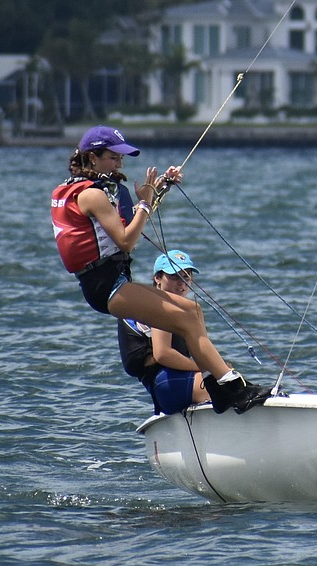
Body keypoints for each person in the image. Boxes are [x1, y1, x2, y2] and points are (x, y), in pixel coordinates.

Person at [51, 125, 269, 414]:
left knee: (191, 311)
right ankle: (233, 389)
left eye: (121, 158)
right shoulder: (93, 196)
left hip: (111, 281)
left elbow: (131, 224)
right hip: (105, 286)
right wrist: (144, 202)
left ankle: (218, 386)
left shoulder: (82, 190)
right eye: (113, 157)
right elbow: (127, 241)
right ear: (93, 158)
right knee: (186, 320)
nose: (119, 163)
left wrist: (158, 190)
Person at [118, 250, 212, 414]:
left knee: (233, 381)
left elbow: (203, 351)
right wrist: (206, 367)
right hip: (166, 384)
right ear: (157, 278)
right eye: (175, 276)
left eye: (186, 276)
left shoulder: (191, 310)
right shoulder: (159, 306)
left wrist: (218, 367)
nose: (182, 283)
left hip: (181, 380)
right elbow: (162, 354)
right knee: (224, 387)